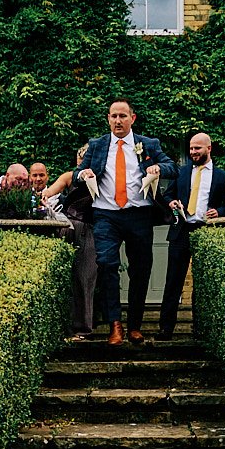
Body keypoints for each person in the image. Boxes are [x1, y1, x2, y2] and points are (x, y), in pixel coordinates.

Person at [81, 99, 175, 345]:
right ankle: (115, 325)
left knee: (141, 269)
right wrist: (85, 173)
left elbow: (171, 166)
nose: (117, 121)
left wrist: (157, 168)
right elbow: (78, 170)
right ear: (108, 118)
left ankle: (134, 325)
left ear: (132, 118)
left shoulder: (148, 144)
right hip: (106, 213)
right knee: (106, 263)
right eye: (113, 116)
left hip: (139, 214)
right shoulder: (97, 145)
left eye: (122, 116)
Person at [158, 131, 225, 336]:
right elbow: (167, 195)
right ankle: (165, 328)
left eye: (197, 148)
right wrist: (171, 202)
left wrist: (220, 212)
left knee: (205, 281)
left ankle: (202, 329)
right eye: (191, 148)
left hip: (206, 231)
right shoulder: (181, 172)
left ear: (209, 148)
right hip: (181, 230)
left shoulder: (222, 176)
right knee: (173, 279)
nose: (193, 152)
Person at [41, 145, 101, 335]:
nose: (82, 166)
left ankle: (83, 328)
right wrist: (44, 198)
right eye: (79, 162)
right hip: (67, 228)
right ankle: (62, 326)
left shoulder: (101, 178)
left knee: (86, 277)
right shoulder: (69, 177)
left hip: (90, 229)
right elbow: (49, 192)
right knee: (64, 277)